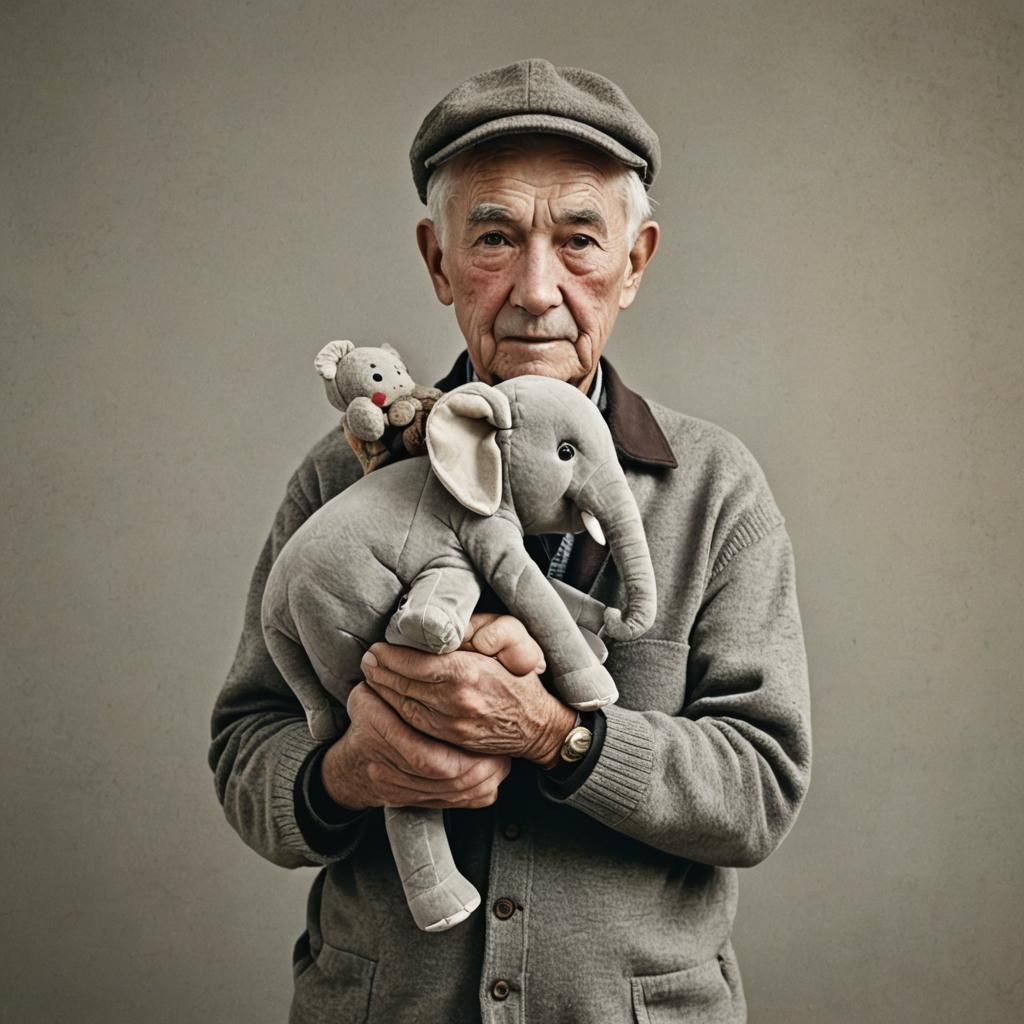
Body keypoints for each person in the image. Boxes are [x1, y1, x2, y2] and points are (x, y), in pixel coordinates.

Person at [210, 59, 811, 1023]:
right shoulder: (342, 475)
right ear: (438, 261)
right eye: (494, 237)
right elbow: (247, 754)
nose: (538, 290)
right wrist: (346, 772)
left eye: (579, 239)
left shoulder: (715, 487)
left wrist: (557, 735)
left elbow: (759, 788)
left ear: (636, 259)